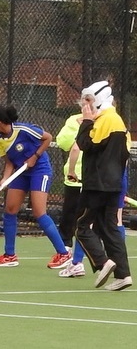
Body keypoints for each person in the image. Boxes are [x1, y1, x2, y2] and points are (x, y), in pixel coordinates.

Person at [0, 105, 71, 269]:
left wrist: (34, 157)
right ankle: (10, 255)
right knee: (10, 210)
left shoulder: (24, 130)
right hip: (21, 172)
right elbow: (9, 162)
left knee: (39, 212)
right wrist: (4, 180)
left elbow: (48, 138)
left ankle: (64, 254)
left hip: (40, 170)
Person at [75, 80, 132, 290]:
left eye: (89, 100)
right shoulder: (115, 120)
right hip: (112, 184)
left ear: (100, 99)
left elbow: (86, 144)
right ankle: (123, 275)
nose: (85, 104)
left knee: (81, 226)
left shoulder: (107, 120)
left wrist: (86, 122)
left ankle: (103, 262)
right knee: (108, 228)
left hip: (98, 185)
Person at [55, 111, 87, 277]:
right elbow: (63, 142)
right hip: (74, 178)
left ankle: (81, 261)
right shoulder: (73, 120)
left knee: (85, 220)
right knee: (69, 214)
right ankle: (66, 250)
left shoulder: (107, 122)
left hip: (92, 177)